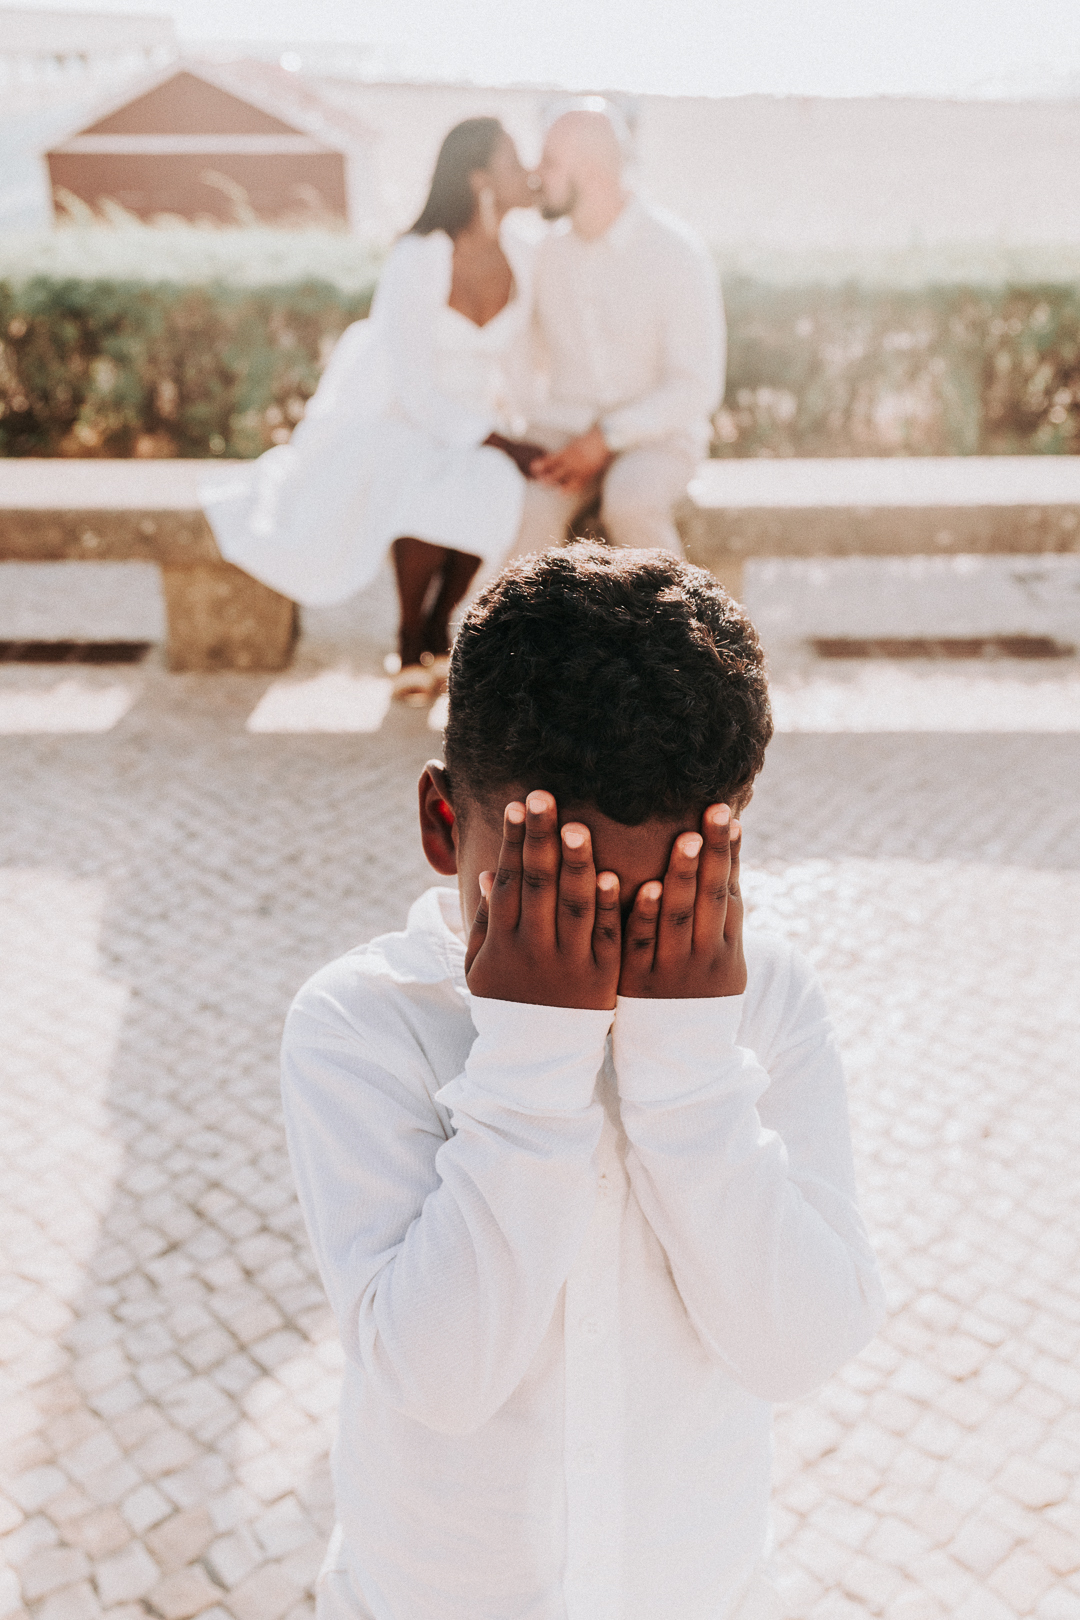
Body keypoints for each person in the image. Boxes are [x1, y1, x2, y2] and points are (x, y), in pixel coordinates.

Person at [282, 544, 886, 1620]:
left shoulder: (770, 1002)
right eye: (556, 894)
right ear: (441, 826)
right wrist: (532, 1056)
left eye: (650, 910)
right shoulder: (360, 1025)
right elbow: (438, 1379)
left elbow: (800, 1348)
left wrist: (690, 1074)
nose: (598, 957)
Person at [200, 118, 537, 705]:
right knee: (416, 477)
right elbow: (409, 380)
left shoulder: (524, 255)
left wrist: (517, 431)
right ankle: (411, 638)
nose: (525, 170)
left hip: (475, 414)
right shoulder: (419, 256)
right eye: (513, 161)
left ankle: (440, 626)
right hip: (395, 409)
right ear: (480, 177)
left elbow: (520, 362)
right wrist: (493, 437)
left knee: (496, 488)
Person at [510, 104, 725, 559]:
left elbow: (697, 386)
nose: (535, 174)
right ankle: (516, 633)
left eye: (549, 162)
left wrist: (606, 439)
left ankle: (685, 628)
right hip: (564, 432)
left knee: (631, 503)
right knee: (524, 511)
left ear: (589, 172)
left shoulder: (676, 252)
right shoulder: (543, 255)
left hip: (660, 438)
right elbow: (520, 366)